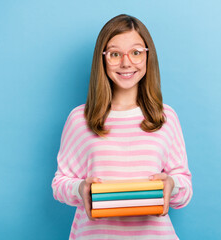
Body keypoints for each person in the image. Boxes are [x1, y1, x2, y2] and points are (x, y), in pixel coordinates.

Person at [52, 14, 193, 240]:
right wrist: (80, 189)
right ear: (103, 59)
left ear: (148, 56)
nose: (126, 63)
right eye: (115, 54)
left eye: (136, 52)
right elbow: (60, 184)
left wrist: (172, 185)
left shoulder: (166, 117)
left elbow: (184, 187)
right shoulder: (80, 118)